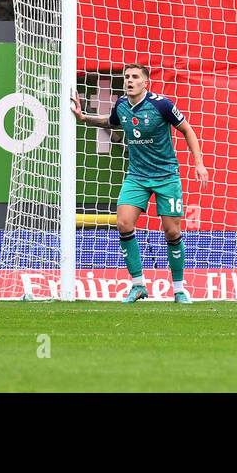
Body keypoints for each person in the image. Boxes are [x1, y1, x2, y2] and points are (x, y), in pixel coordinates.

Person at [70, 63, 209, 303]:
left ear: (145, 82)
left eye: (135, 77)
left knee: (172, 231)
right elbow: (111, 122)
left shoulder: (161, 105)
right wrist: (84, 118)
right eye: (126, 77)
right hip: (137, 176)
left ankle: (178, 289)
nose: (129, 80)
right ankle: (138, 285)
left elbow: (187, 130)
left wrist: (199, 163)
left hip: (166, 176)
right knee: (123, 223)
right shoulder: (122, 105)